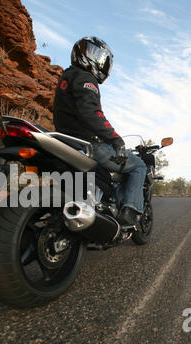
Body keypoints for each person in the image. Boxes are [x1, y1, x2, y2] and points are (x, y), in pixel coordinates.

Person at [53, 36, 147, 225]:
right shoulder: (85, 77)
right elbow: (91, 113)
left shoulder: (67, 76)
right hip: (88, 144)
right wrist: (116, 140)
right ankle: (131, 211)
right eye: (97, 54)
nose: (101, 62)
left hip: (67, 141)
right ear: (86, 54)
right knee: (139, 166)